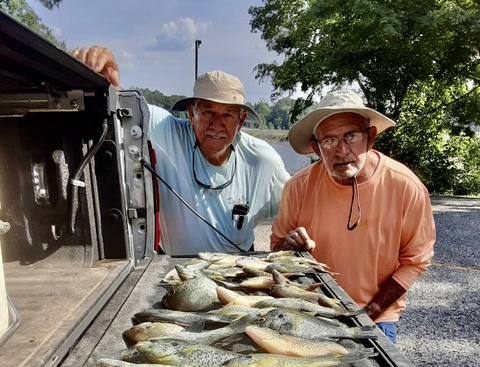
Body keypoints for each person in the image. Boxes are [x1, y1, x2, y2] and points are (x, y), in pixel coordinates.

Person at [72, 47, 290, 256]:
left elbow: (296, 209)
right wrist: (101, 77)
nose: (216, 124)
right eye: (207, 111)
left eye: (228, 115)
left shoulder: (263, 161)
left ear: (241, 120)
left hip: (237, 269)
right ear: (190, 112)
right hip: (176, 266)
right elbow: (121, 106)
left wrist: (293, 238)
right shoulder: (165, 130)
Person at [270, 90, 436, 342]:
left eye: (351, 136)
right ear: (316, 148)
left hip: (377, 318)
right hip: (310, 314)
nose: (341, 150)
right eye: (329, 140)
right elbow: (276, 252)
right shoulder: (298, 187)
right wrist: (288, 247)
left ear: (370, 137)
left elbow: (416, 260)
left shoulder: (406, 186)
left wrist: (371, 312)